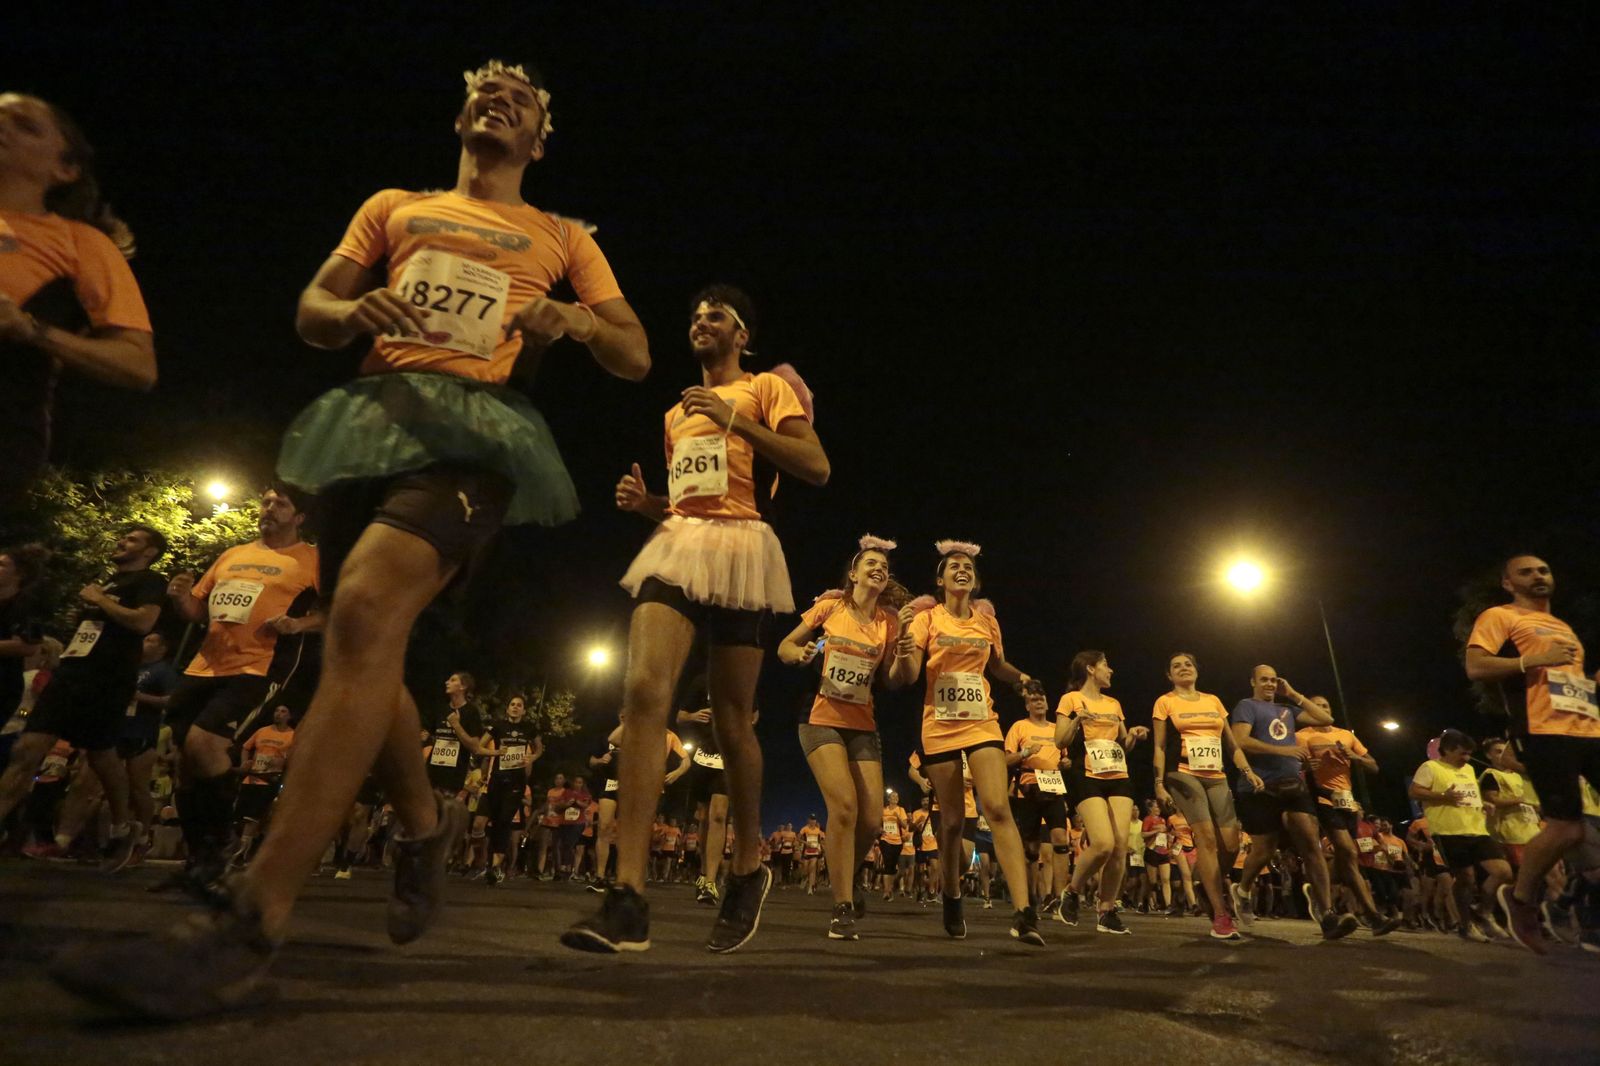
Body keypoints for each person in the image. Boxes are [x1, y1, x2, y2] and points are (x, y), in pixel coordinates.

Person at [49, 60, 650, 1019]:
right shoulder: (393, 208)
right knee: (360, 643)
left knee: (366, 606)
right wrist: (352, 309)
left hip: (477, 437)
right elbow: (313, 314)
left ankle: (247, 922)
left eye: (524, 100)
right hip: (372, 425)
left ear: (541, 139)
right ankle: (422, 821)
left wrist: (571, 318)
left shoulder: (562, 236)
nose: (500, 102)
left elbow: (633, 352)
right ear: (460, 114)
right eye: (486, 92)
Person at [566, 284, 825, 955]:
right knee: (643, 695)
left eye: (716, 315)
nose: (700, 321)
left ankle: (746, 869)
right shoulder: (675, 413)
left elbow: (815, 466)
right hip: (680, 545)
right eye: (694, 314)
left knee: (731, 719)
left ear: (743, 335)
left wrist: (736, 419)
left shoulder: (767, 388)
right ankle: (626, 896)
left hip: (744, 550)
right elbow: (692, 501)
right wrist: (648, 504)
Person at [161, 486, 321, 893]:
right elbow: (199, 610)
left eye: (280, 504)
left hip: (260, 665)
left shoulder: (312, 559)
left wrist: (299, 625)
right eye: (265, 501)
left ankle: (222, 844)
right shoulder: (232, 554)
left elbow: (340, 608)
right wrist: (182, 599)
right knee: (183, 761)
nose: (268, 508)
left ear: (299, 517)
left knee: (205, 745)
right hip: (204, 666)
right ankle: (199, 860)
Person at [0, 92, 155, 510]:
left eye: (25, 125)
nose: (3, 126)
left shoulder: (80, 243)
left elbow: (138, 364)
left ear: (65, 168)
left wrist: (29, 329)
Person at [889, 540, 1044, 945]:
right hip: (939, 724)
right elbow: (907, 676)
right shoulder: (927, 618)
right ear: (940, 580)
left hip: (982, 722)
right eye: (953, 566)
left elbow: (998, 665)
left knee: (996, 806)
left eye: (968, 566)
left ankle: (1024, 912)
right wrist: (904, 648)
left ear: (974, 580)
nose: (962, 569)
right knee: (954, 820)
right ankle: (952, 896)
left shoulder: (987, 621)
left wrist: (1020, 678)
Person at [0, 526, 166, 870]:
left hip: (107, 681)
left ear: (149, 552)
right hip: (70, 676)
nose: (122, 540)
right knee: (26, 750)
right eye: (123, 536)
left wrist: (101, 601)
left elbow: (143, 623)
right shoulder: (107, 582)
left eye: (133, 539)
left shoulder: (149, 581)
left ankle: (123, 827)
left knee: (102, 758)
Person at [1463, 555, 1600, 953]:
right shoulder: (1500, 616)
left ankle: (1570, 900)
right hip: (1542, 731)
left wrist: (1591, 684)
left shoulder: (1563, 627)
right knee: (1567, 828)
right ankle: (1521, 899)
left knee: (1574, 829)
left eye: (1543, 570)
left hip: (1588, 728)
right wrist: (1531, 660)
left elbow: (1565, 680)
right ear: (1508, 583)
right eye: (1526, 572)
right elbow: (1476, 666)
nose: (1538, 576)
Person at [778, 534, 911, 938]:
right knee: (845, 808)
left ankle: (847, 879)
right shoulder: (830, 606)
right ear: (853, 573)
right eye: (870, 562)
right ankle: (841, 907)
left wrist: (904, 654)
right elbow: (786, 645)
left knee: (871, 823)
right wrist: (797, 655)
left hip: (863, 724)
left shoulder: (889, 622)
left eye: (883, 566)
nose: (878, 568)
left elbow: (894, 680)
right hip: (820, 718)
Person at [1226, 664, 1360, 940]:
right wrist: (1284, 749)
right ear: (1252, 681)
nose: (1269, 684)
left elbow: (1325, 717)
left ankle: (1327, 914)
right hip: (1259, 787)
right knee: (1263, 850)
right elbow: (1240, 741)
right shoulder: (1246, 706)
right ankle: (1242, 891)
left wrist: (1294, 693)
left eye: (1273, 680)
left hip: (1293, 787)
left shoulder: (1286, 710)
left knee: (1311, 843)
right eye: (1264, 680)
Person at [1150, 651, 1253, 938]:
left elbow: (1231, 744)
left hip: (1216, 775)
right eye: (1176, 666)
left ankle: (1207, 883)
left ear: (1197, 670)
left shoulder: (1213, 701)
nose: (1183, 668)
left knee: (1231, 844)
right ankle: (1220, 914)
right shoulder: (1165, 702)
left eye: (1188, 664)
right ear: (1169, 676)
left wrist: (1247, 771)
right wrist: (1158, 782)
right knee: (1205, 838)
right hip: (1182, 772)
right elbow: (1159, 747)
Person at [1054, 650, 1149, 935]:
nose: (1111, 670)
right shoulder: (1071, 700)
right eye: (1106, 665)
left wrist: (1133, 734)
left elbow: (1123, 743)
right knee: (1103, 843)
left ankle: (1106, 910)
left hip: (1118, 774)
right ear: (1090, 668)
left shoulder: (1114, 703)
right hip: (1087, 775)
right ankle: (1071, 892)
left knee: (1120, 846)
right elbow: (1060, 740)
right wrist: (1076, 720)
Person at [1296, 700, 1401, 935]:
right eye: (1315, 706)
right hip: (1322, 798)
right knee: (1348, 851)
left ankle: (1322, 890)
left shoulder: (1345, 734)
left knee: (1348, 859)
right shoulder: (1303, 735)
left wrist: (1355, 758)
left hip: (1347, 801)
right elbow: (1293, 767)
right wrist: (1306, 767)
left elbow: (1373, 766)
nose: (1322, 709)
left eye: (1325, 705)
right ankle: (1370, 915)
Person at [1409, 729, 1512, 942]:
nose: (1466, 758)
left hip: (1477, 829)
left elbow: (1468, 795)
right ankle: (1466, 925)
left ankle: (1483, 911)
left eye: (1468, 754)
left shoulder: (1469, 769)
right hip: (1448, 831)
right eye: (1462, 753)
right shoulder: (1431, 767)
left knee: (1503, 871)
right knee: (1466, 878)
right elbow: (1414, 792)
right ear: (1446, 750)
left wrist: (1484, 804)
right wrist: (1443, 796)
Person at [1006, 680, 1072, 918]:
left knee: (1060, 838)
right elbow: (1005, 760)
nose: (1039, 702)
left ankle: (1060, 897)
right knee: (1032, 848)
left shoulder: (1057, 729)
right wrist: (1025, 753)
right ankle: (1031, 897)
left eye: (1042, 699)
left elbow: (1065, 757)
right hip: (1028, 789)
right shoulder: (1018, 728)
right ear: (1027, 706)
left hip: (1053, 788)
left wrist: (1066, 763)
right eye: (1034, 700)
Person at [232, 705, 296, 866]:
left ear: (289, 716)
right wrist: (244, 763)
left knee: (252, 816)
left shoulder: (293, 736)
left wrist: (283, 763)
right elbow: (246, 747)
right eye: (277, 711)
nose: (278, 714)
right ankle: (248, 846)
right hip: (253, 776)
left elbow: (295, 757)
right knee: (240, 816)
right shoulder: (262, 731)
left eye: (283, 712)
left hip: (270, 778)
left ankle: (241, 854)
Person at [1478, 737, 1541, 871]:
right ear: (1488, 755)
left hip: (1531, 830)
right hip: (1509, 833)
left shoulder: (1518, 775)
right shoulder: (1491, 775)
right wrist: (1520, 800)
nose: (1503, 755)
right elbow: (1493, 800)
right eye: (1498, 752)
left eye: (1505, 751)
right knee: (1523, 873)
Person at [423, 672, 486, 803]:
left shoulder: (471, 712)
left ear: (463, 686)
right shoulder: (441, 709)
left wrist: (456, 725)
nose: (447, 682)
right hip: (432, 772)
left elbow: (475, 747)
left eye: (452, 680)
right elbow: (428, 734)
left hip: (453, 776)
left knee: (443, 816)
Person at [879, 788, 911, 901]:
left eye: (897, 797)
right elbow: (878, 824)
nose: (895, 798)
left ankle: (890, 889)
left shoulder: (901, 810)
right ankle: (886, 892)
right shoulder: (883, 810)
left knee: (892, 866)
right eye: (893, 796)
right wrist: (880, 829)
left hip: (897, 841)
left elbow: (904, 826)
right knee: (887, 863)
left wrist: (897, 817)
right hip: (885, 839)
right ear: (888, 799)